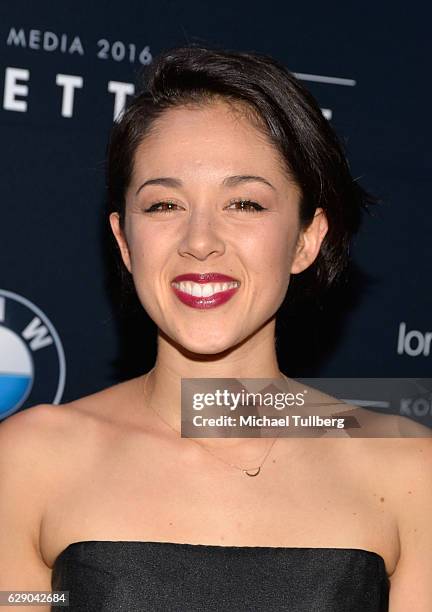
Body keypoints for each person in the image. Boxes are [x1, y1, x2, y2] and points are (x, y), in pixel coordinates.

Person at [0, 44, 431, 612]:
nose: (200, 241)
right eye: (163, 206)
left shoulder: (408, 471)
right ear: (125, 242)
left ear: (306, 238)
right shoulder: (30, 461)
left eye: (245, 204)